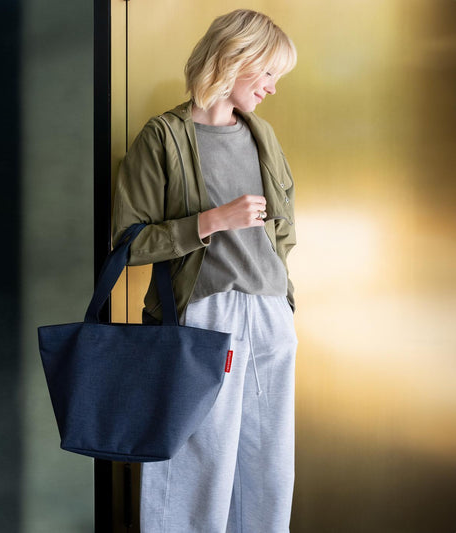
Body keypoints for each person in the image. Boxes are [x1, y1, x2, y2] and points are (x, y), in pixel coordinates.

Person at [112, 9, 298, 532]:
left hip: (270, 316)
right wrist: (211, 221)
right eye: (268, 73)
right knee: (195, 468)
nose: (272, 88)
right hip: (202, 317)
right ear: (234, 58)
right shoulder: (163, 137)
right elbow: (127, 243)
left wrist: (284, 299)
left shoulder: (263, 136)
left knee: (269, 470)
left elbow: (284, 229)